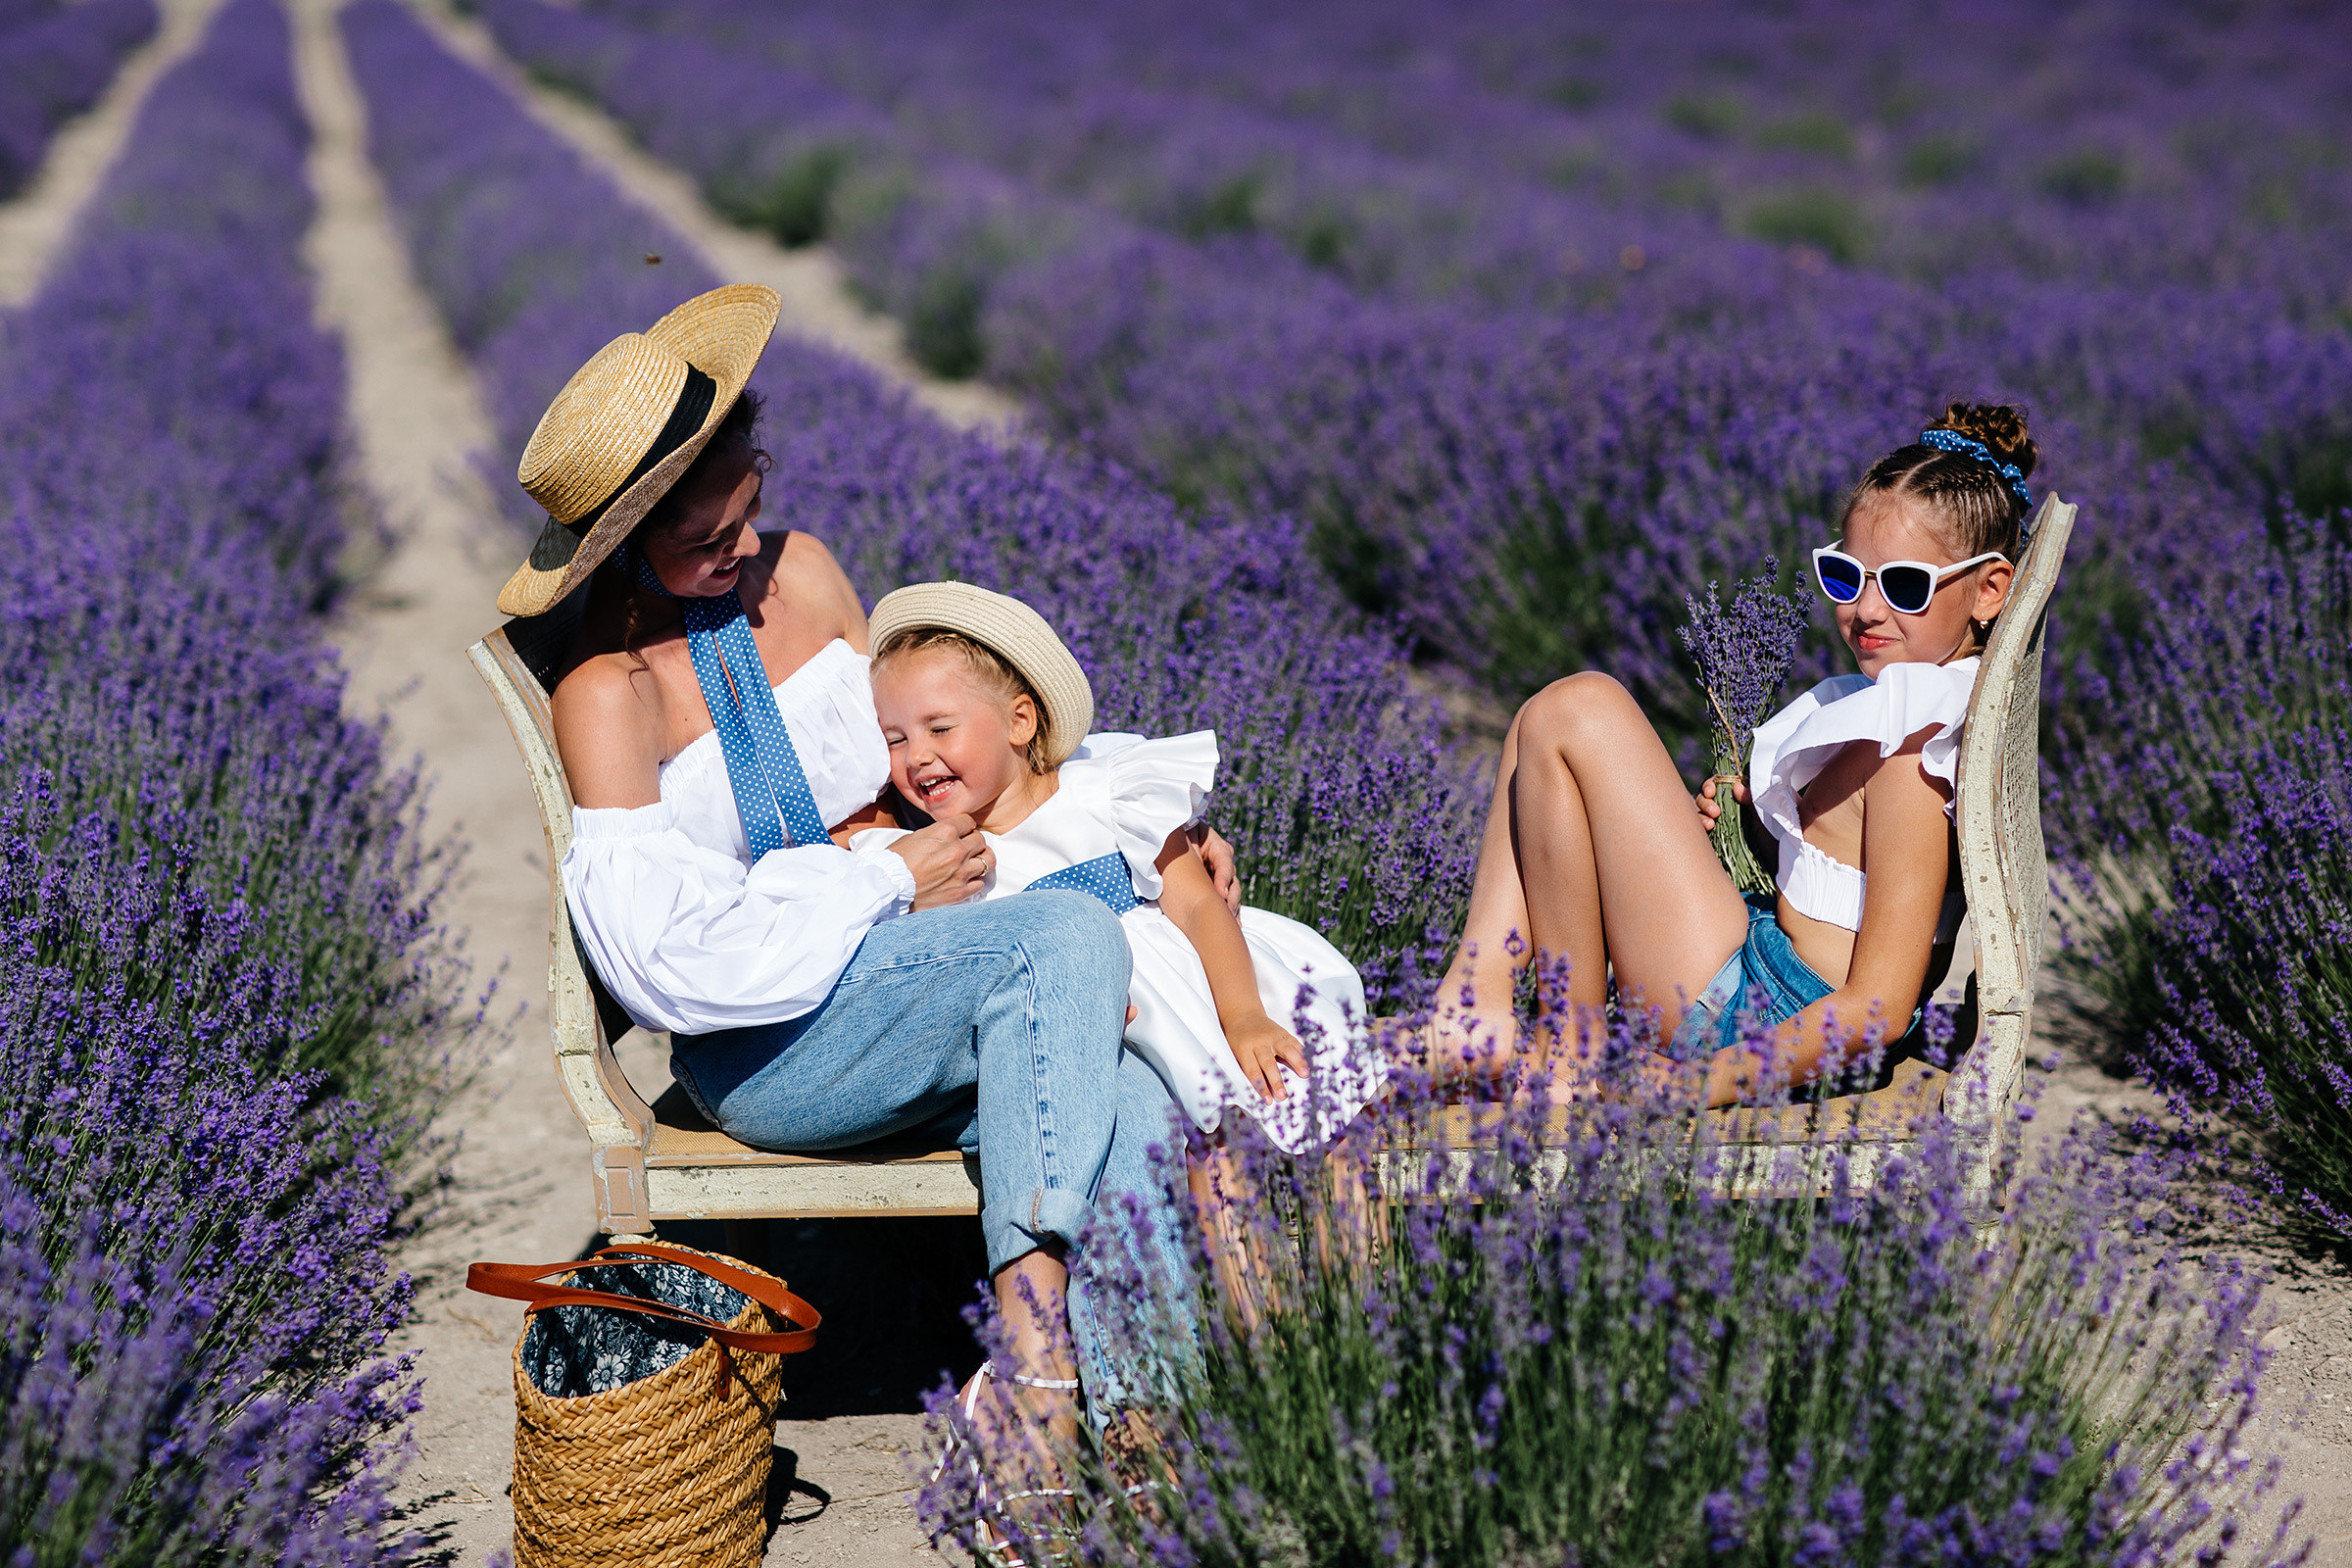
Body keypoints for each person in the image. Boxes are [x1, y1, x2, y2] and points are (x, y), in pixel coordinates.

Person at [500, 285, 1233, 1453]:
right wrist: (882, 883)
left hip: (920, 978)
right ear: (622, 548)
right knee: (1068, 946)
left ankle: (1153, 1421)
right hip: (774, 1042)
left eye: (750, 510)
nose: (746, 554)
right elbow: (674, 972)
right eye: (702, 545)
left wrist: (1137, 827)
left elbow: (929, 760)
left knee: (1133, 1065)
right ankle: (1037, 1367)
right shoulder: (610, 693)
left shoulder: (805, 572)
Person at [1434, 403, 2034, 1103]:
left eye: (1903, 585)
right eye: (1847, 577)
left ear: (1990, 590)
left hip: (1762, 1023)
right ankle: (1482, 993)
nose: (1867, 609)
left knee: (1574, 710)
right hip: (1763, 968)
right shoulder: (1910, 706)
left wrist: (1700, 1084)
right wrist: (1754, 830)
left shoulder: (1914, 753)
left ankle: (1556, 1040)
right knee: (1541, 723)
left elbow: (1879, 1008)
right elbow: (1847, 882)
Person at [855, 582, 1386, 1155]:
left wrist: (1245, 1015)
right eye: (894, 739)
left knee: (1340, 1124)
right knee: (1208, 1160)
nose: (917, 756)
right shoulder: (951, 865)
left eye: (939, 728)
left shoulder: (1106, 793)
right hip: (1131, 1039)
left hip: (1217, 987)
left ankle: (1358, 1246)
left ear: (1019, 722)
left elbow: (1199, 904)